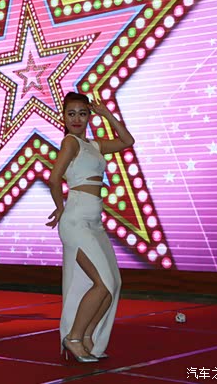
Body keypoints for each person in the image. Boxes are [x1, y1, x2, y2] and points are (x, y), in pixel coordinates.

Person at [46, 92, 135, 362]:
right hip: (76, 220)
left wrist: (106, 114)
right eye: (71, 113)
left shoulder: (93, 145)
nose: (76, 119)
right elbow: (54, 178)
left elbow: (127, 141)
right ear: (63, 116)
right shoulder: (70, 142)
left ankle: (87, 336)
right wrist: (60, 207)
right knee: (103, 283)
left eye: (82, 113)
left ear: (89, 116)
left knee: (114, 284)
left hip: (94, 221)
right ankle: (73, 337)